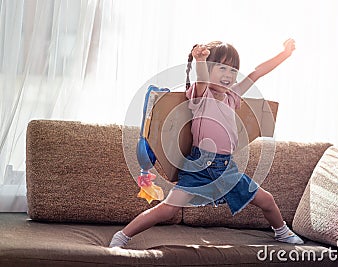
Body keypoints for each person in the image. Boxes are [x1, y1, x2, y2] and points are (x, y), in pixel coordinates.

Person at [110, 39, 304, 248]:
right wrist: (200, 60)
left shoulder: (232, 96)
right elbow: (201, 78)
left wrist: (284, 55)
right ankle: (123, 235)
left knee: (266, 200)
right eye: (221, 68)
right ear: (209, 68)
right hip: (198, 168)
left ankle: (282, 231)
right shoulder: (201, 95)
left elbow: (257, 73)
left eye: (233, 70)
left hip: (226, 168)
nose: (228, 75)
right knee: (168, 209)